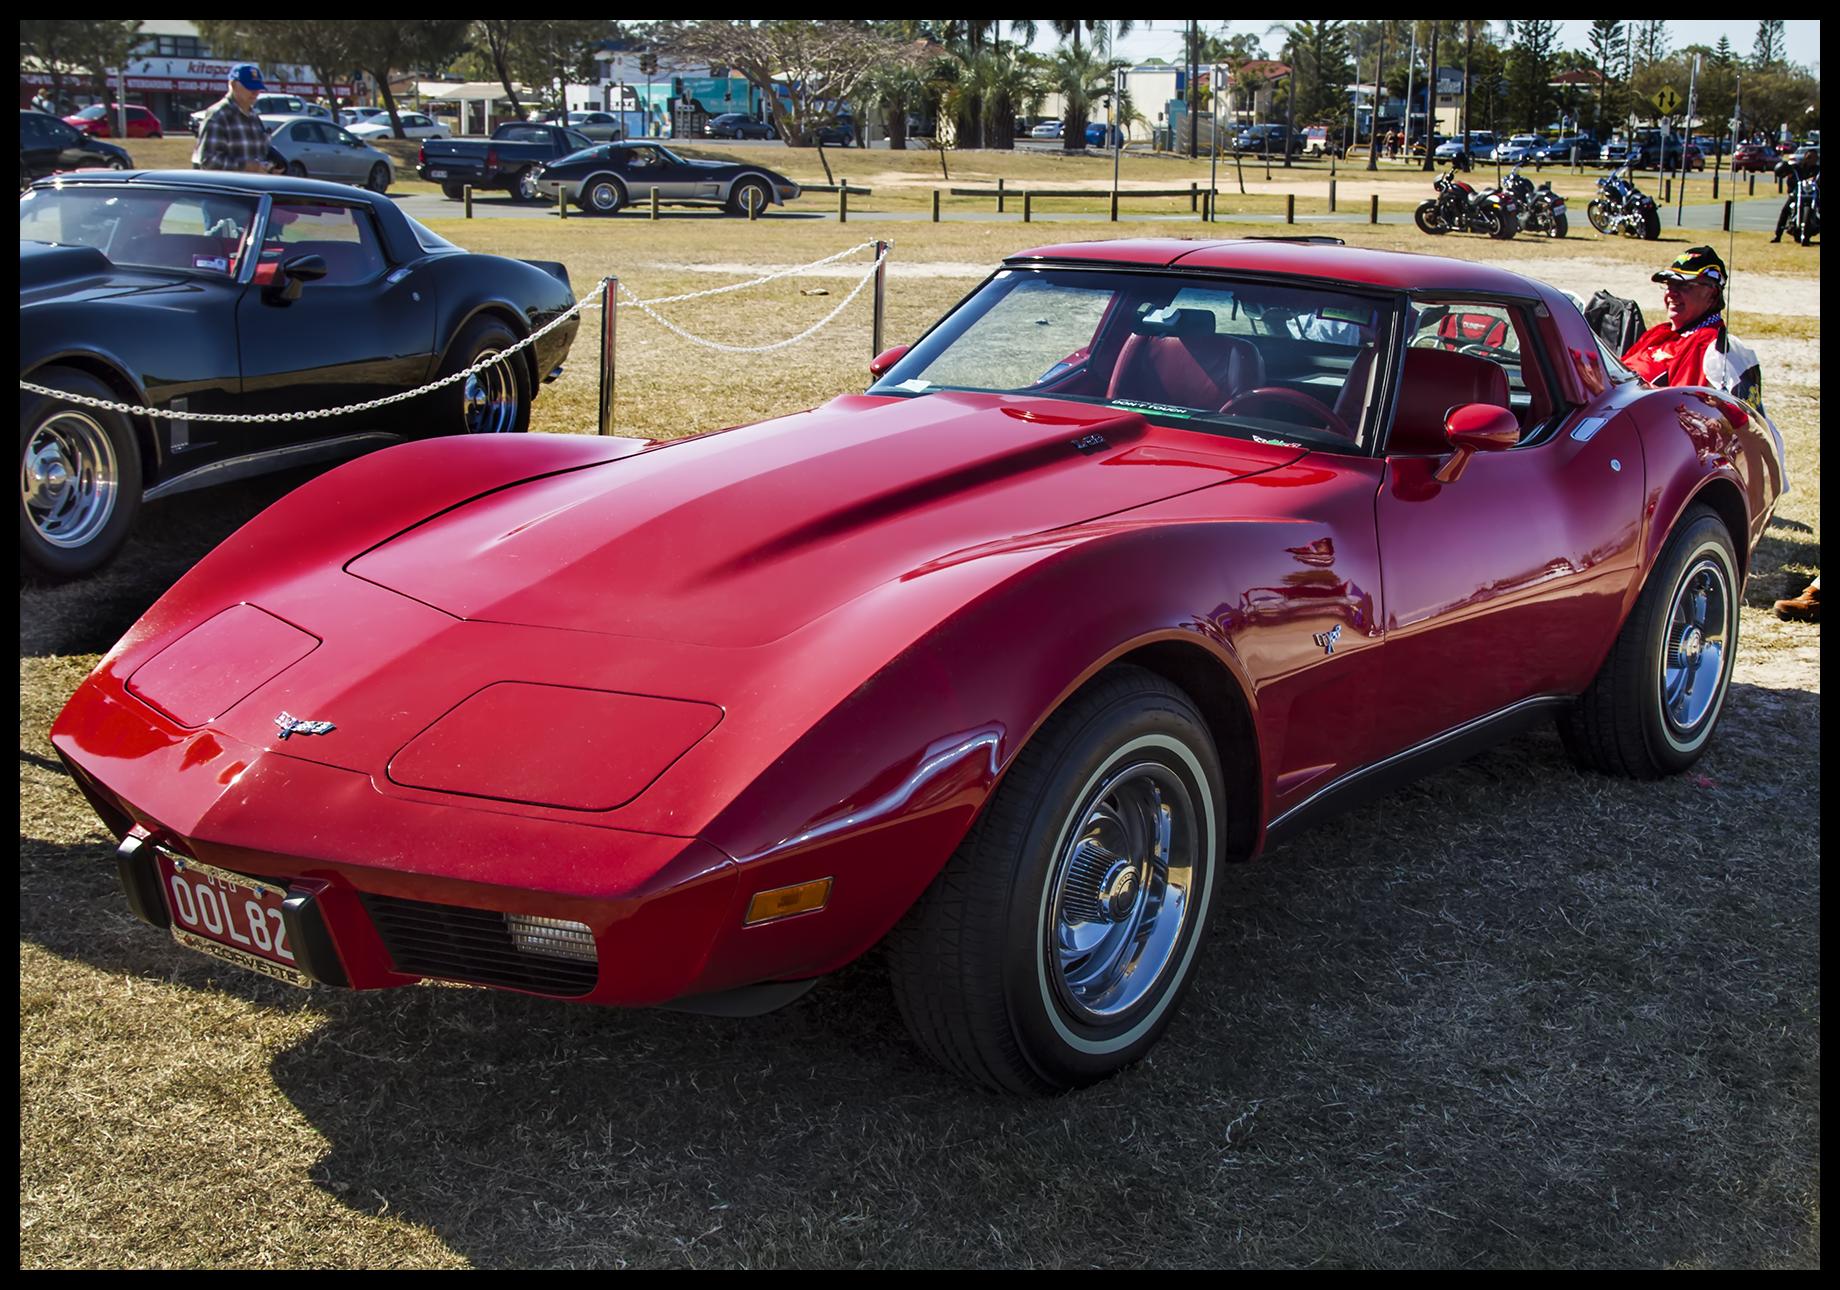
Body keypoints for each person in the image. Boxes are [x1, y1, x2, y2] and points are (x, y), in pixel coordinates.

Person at [1619, 245, 1763, 410]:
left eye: (1684, 286)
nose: (1671, 294)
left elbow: (1681, 409)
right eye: (1669, 285)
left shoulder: (1710, 348)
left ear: (1712, 293)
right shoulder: (1660, 333)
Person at [191, 64, 281, 174]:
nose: (256, 92)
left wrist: (270, 167)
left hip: (254, 188)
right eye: (250, 87)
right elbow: (208, 161)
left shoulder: (253, 116)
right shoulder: (219, 115)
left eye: (258, 88)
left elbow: (260, 154)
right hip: (229, 189)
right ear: (233, 85)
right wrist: (245, 166)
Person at [1771, 152, 1819, 243]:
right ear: (1805, 157)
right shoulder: (1797, 168)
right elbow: (1790, 186)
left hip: (1812, 194)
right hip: (1797, 194)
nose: (1812, 159)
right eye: (1809, 157)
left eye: (1814, 158)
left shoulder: (1817, 169)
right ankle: (1778, 235)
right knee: (1785, 210)